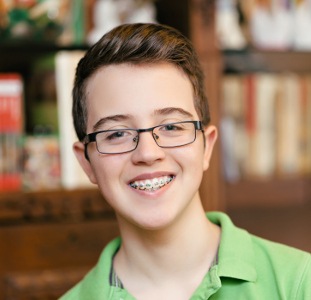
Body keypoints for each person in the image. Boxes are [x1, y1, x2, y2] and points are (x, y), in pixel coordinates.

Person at [60, 23, 310, 300]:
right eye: (117, 133)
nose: (147, 153)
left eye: (171, 127)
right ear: (86, 162)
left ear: (207, 146)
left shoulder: (299, 283)